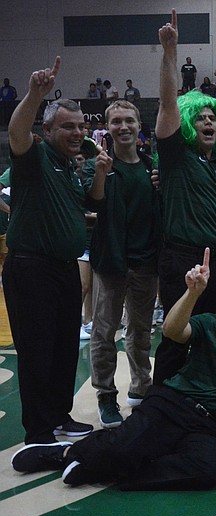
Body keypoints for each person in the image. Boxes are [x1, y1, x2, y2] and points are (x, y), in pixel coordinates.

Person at [11, 251, 216, 490]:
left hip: (211, 424)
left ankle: (106, 469)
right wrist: (193, 292)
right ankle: (63, 453)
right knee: (123, 447)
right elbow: (172, 330)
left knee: (207, 471)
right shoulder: (212, 324)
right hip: (173, 404)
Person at [4, 57, 100, 444]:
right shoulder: (34, 158)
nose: (77, 133)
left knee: (63, 349)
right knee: (37, 352)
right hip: (31, 269)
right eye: (68, 127)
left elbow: (70, 212)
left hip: (63, 269)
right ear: (47, 129)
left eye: (81, 127)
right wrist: (34, 94)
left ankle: (60, 417)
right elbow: (16, 131)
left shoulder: (70, 166)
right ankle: (39, 431)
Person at [153, 10, 216, 384]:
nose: (207, 122)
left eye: (213, 118)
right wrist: (170, 52)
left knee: (214, 334)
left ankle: (210, 400)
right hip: (180, 256)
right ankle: (161, 404)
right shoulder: (175, 157)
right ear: (188, 122)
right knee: (175, 335)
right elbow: (167, 105)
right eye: (200, 117)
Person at [85, 100, 160, 428]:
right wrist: (100, 173)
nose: (124, 127)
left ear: (137, 124)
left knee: (141, 329)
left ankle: (141, 387)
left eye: (129, 120)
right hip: (111, 262)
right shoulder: (99, 164)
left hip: (145, 261)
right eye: (116, 121)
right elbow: (92, 202)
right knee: (104, 331)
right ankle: (105, 395)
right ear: (107, 126)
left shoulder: (149, 165)